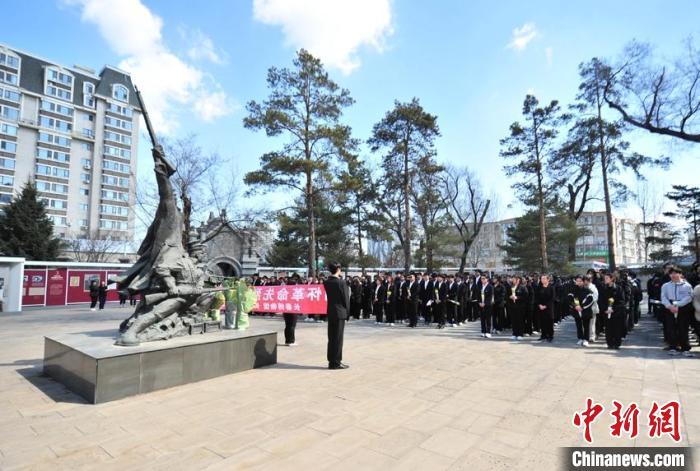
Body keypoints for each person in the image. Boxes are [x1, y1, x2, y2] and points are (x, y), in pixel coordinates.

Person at [661, 267, 694, 356]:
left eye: (675, 273)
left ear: (680, 274)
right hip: (670, 308)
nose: (673, 275)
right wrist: (670, 306)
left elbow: (689, 297)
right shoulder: (666, 285)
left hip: (683, 307)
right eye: (671, 273)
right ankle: (673, 347)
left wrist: (678, 305)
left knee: (683, 328)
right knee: (671, 328)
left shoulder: (687, 285)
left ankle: (685, 348)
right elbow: (663, 297)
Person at [324, 262, 350, 370]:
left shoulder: (326, 282)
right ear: (338, 269)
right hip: (340, 313)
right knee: (338, 339)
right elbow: (346, 299)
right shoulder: (341, 282)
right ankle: (336, 362)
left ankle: (331, 361)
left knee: (331, 337)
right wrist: (348, 313)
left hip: (331, 311)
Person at [601, 272, 625, 350]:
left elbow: (622, 301)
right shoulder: (604, 288)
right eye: (604, 278)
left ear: (612, 279)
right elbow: (601, 301)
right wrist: (605, 309)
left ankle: (617, 344)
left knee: (617, 329)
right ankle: (610, 343)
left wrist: (613, 309)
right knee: (608, 329)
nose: (605, 280)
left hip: (616, 313)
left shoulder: (618, 288)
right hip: (606, 312)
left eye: (607, 278)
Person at [569, 275, 595, 346]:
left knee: (586, 326)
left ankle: (586, 339)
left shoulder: (588, 290)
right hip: (576, 310)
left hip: (586, 311)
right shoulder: (572, 290)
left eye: (580, 281)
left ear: (583, 281)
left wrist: (582, 307)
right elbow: (570, 299)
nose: (579, 282)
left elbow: (591, 300)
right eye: (577, 281)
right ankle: (580, 338)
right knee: (578, 325)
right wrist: (575, 306)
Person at [535, 274, 555, 342]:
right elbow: (537, 297)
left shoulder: (551, 287)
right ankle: (543, 335)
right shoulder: (539, 287)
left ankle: (550, 336)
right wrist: (539, 305)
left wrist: (545, 306)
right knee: (542, 322)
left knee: (549, 322)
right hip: (541, 307)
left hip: (549, 307)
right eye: (541, 279)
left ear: (548, 279)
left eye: (544, 279)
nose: (542, 280)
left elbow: (552, 298)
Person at [508, 276, 528, 340]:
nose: (513, 281)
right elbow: (507, 295)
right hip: (512, 306)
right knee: (513, 320)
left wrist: (518, 297)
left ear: (518, 280)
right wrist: (510, 297)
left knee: (520, 320)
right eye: (512, 279)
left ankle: (520, 334)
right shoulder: (510, 287)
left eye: (514, 279)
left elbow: (526, 296)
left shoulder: (522, 287)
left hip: (520, 307)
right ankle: (514, 333)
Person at [283, 277, 299, 346]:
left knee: (287, 326)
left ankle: (287, 341)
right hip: (292, 311)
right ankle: (291, 341)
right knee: (292, 326)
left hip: (285, 310)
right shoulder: (294, 292)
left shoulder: (284, 292)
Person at [478, 274, 494, 338]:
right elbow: (478, 295)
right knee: (482, 319)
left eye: (484, 278)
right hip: (481, 305)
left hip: (488, 305)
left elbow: (490, 297)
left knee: (488, 319)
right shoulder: (480, 286)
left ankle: (488, 332)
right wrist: (479, 302)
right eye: (481, 279)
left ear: (487, 279)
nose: (482, 280)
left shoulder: (490, 287)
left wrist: (485, 303)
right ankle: (483, 331)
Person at [584, 275, 599, 343]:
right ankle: (586, 336)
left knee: (592, 322)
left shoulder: (593, 288)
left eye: (586, 280)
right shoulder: (584, 287)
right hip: (585, 307)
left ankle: (592, 336)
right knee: (585, 323)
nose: (585, 282)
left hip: (592, 307)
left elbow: (595, 298)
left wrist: (588, 302)